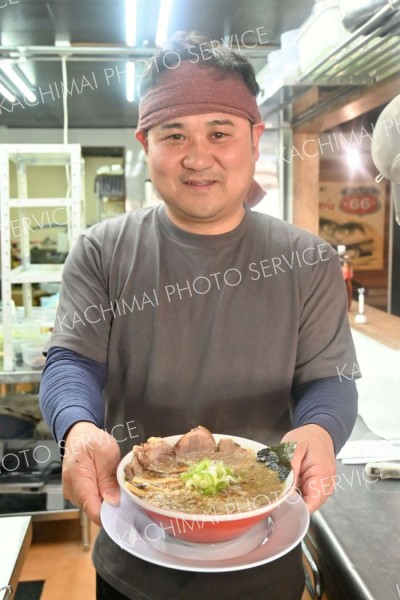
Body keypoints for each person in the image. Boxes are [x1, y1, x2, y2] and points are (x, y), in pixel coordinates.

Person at [39, 32, 359, 600]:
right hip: (133, 550)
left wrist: (321, 429)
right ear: (145, 143)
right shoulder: (101, 250)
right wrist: (79, 427)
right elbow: (72, 362)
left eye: (219, 133)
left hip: (263, 554)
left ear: (256, 139)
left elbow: (328, 378)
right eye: (174, 135)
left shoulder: (307, 259)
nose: (197, 157)